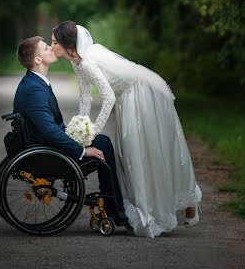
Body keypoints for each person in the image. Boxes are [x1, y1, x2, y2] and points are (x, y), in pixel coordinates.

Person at [51, 21, 202, 238]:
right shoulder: (78, 62)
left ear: (68, 45)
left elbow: (108, 96)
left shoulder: (87, 62)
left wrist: (93, 133)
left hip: (142, 94)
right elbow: (85, 96)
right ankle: (183, 203)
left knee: (145, 152)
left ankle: (186, 202)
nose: (52, 46)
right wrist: (81, 128)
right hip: (128, 97)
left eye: (55, 42)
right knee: (135, 154)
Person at [13, 36, 127, 224]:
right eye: (45, 47)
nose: (51, 47)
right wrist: (81, 150)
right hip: (45, 155)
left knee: (101, 141)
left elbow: (49, 128)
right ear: (37, 60)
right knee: (103, 144)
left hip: (45, 147)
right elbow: (49, 131)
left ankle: (113, 206)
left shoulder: (35, 83)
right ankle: (115, 210)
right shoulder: (34, 89)